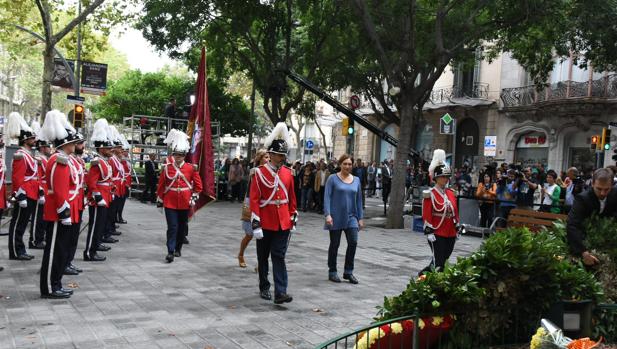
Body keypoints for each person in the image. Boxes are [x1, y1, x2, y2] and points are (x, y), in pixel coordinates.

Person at [249, 122, 297, 304]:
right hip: (265, 221)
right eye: (278, 155)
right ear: (270, 154)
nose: (281, 158)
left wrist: (293, 215)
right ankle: (264, 286)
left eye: (283, 155)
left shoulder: (287, 173)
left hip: (282, 221)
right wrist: (256, 223)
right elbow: (254, 199)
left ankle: (281, 292)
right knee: (263, 257)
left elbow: (292, 198)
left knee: (279, 255)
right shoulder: (259, 173)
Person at [38, 110, 81, 299]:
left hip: (67, 209)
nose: (75, 145)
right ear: (65, 143)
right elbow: (59, 189)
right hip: (60, 211)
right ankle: (50, 286)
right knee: (55, 250)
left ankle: (56, 283)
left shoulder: (66, 160)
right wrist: (64, 211)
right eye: (72, 142)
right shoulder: (58, 160)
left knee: (62, 250)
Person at [157, 129, 203, 263]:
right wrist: (160, 200)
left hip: (185, 201)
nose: (178, 157)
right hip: (170, 202)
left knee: (182, 227)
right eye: (176, 155)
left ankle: (178, 248)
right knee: (172, 227)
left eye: (181, 155)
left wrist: (193, 198)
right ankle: (170, 251)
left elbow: (198, 187)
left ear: (185, 156)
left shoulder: (190, 168)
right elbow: (161, 186)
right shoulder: (167, 167)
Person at [420, 149, 461, 275]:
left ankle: (423, 275)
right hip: (437, 232)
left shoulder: (451, 193)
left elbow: (454, 211)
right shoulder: (430, 194)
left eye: (447, 177)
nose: (445, 179)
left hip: (450, 232)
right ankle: (433, 283)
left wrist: (457, 226)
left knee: (444, 260)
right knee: (439, 263)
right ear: (436, 178)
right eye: (442, 177)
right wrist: (429, 230)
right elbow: (427, 214)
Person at [324, 154, 364, 284]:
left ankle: (348, 272)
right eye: (345, 164)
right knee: (335, 244)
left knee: (353, 242)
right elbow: (327, 197)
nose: (347, 166)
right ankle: (332, 271)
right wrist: (327, 214)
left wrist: (360, 218)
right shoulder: (332, 179)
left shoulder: (357, 180)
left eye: (349, 164)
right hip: (335, 217)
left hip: (352, 217)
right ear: (340, 164)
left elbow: (359, 200)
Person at [567, 168, 617, 266]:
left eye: (607, 189)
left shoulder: (615, 194)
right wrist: (583, 252)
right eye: (599, 189)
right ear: (592, 184)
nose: (603, 193)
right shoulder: (582, 199)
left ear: (612, 185)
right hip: (584, 242)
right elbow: (573, 225)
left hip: (609, 243)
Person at [6, 112, 39, 260]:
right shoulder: (20, 155)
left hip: (31, 193)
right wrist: (20, 195)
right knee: (18, 223)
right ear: (25, 140)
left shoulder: (29, 154)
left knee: (23, 223)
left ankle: (21, 249)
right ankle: (15, 251)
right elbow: (18, 178)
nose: (35, 140)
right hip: (24, 194)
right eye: (32, 138)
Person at [83, 119, 114, 262]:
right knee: (95, 227)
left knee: (99, 226)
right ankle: (90, 252)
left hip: (105, 198)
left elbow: (107, 181)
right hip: (98, 200)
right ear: (101, 149)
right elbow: (91, 182)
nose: (111, 151)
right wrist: (97, 196)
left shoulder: (104, 162)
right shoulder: (97, 162)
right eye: (108, 149)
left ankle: (94, 248)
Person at [238, 149, 269, 268]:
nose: (268, 160)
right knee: (250, 234)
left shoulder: (272, 171)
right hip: (252, 203)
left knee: (263, 236)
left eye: (269, 157)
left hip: (264, 204)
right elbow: (252, 191)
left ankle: (260, 262)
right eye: (266, 157)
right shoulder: (255, 171)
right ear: (260, 158)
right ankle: (240, 255)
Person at [65, 133, 85, 275]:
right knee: (66, 237)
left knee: (73, 237)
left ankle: (68, 261)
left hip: (77, 202)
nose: (80, 146)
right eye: (78, 143)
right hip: (70, 202)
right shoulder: (65, 160)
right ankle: (64, 263)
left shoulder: (76, 161)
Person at [29, 121, 51, 250]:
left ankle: (40, 238)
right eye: (48, 147)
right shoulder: (38, 159)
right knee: (38, 217)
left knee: (43, 218)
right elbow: (37, 176)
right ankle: (34, 240)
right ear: (42, 147)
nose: (50, 149)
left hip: (46, 191)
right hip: (41, 190)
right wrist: (41, 191)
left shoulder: (46, 159)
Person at [116, 144, 132, 224]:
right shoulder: (121, 160)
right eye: (125, 151)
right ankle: (118, 217)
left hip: (126, 183)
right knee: (120, 203)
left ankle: (119, 216)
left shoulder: (126, 160)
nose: (126, 153)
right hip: (123, 183)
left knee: (122, 202)